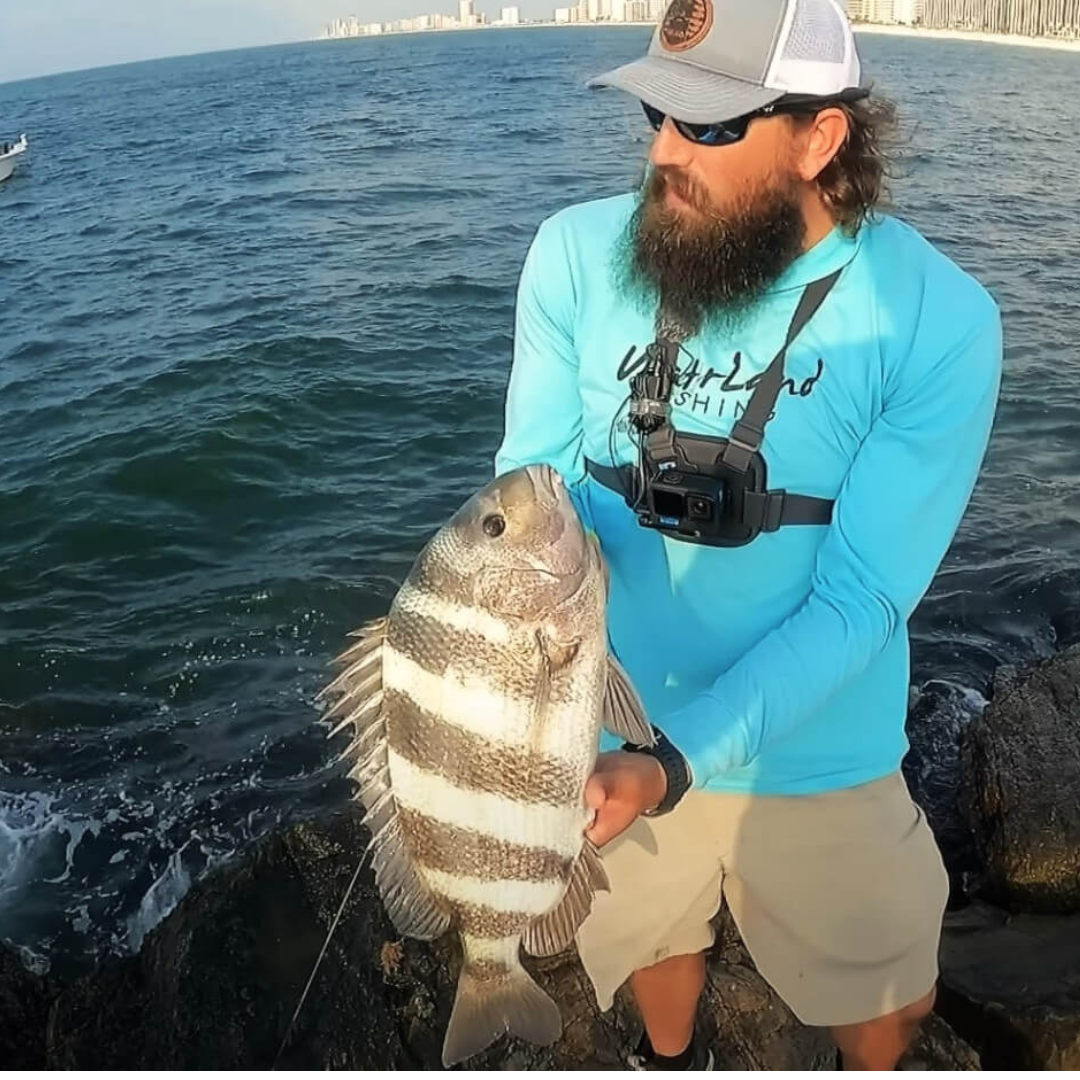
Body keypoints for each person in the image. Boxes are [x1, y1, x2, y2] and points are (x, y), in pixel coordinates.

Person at [495, 0, 1003, 1069]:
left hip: (818, 742)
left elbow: (864, 598)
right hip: (612, 722)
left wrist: (679, 766)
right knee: (652, 937)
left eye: (712, 127)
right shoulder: (573, 257)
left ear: (821, 137)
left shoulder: (935, 320)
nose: (666, 156)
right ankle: (673, 1060)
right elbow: (525, 493)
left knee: (878, 989)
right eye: (657, 116)